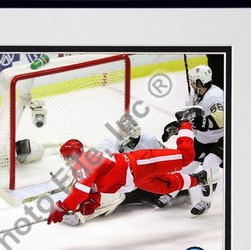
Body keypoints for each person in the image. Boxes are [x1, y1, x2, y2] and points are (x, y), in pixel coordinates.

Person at [47, 112, 213, 225]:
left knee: (185, 157)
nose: (66, 161)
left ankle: (185, 121)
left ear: (73, 155)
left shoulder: (86, 162)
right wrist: (91, 203)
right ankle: (199, 179)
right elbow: (93, 191)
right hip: (135, 179)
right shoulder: (82, 167)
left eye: (66, 157)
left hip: (138, 164)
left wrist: (63, 206)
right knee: (166, 186)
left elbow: (80, 192)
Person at [61, 114, 166, 226]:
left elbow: (162, 158)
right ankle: (78, 210)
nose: (121, 133)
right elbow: (97, 170)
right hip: (121, 185)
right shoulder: (109, 143)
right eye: (120, 129)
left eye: (124, 130)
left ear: (134, 131)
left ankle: (80, 215)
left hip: (143, 184)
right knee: (102, 193)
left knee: (163, 191)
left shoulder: (149, 140)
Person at [158, 64, 224, 215]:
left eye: (194, 81)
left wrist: (205, 122)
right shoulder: (193, 96)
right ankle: (171, 193)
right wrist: (176, 127)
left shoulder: (216, 96)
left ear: (200, 82)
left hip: (220, 139)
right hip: (201, 139)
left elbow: (221, 118)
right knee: (184, 165)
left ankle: (205, 203)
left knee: (209, 163)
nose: (191, 84)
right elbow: (188, 118)